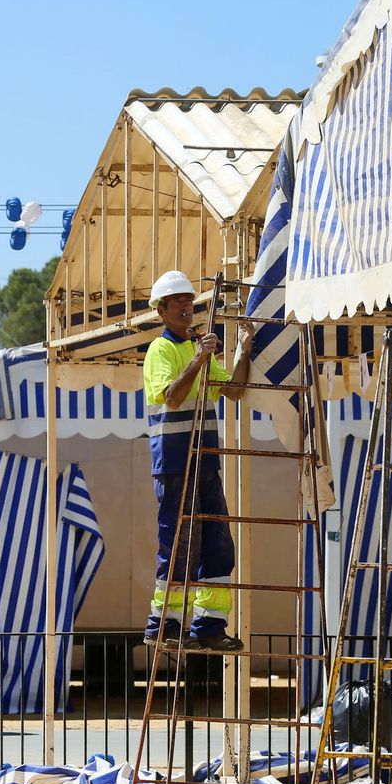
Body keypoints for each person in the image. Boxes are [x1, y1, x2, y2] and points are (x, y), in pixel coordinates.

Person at [141, 270, 252, 651]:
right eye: (177, 302)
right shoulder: (163, 350)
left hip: (203, 461)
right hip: (175, 462)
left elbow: (234, 392)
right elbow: (171, 396)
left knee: (218, 544)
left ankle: (209, 626)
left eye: (189, 300)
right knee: (179, 542)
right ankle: (164, 624)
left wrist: (245, 350)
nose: (187, 306)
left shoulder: (193, 348)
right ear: (161, 311)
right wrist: (202, 356)